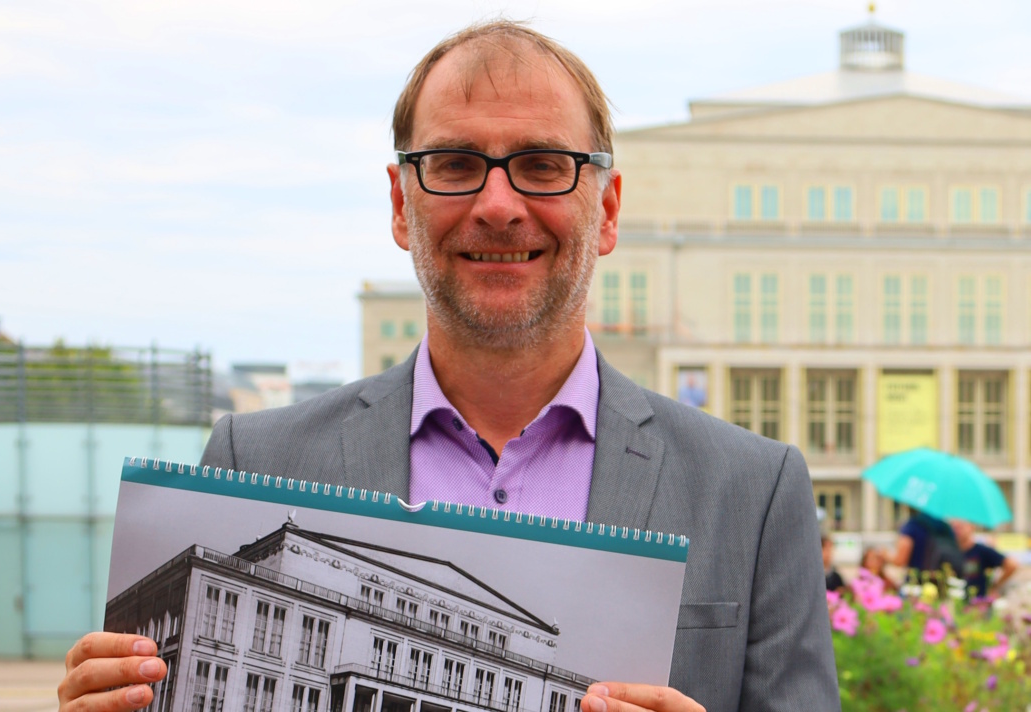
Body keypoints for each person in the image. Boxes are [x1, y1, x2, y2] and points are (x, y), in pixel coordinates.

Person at [57, 21, 839, 712]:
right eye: (456, 164)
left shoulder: (750, 493)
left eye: (542, 164)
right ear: (402, 205)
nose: (499, 204)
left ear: (605, 211)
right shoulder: (253, 463)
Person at [951, 519, 1018, 600]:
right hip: (955, 601)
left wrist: (995, 586)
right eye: (954, 527)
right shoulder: (949, 552)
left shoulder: (982, 551)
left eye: (961, 527)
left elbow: (1011, 565)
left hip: (979, 603)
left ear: (972, 527)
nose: (957, 531)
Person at [892, 509, 964, 583]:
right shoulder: (945, 526)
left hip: (917, 583)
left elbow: (900, 560)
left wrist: (885, 556)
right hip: (943, 584)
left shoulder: (912, 525)